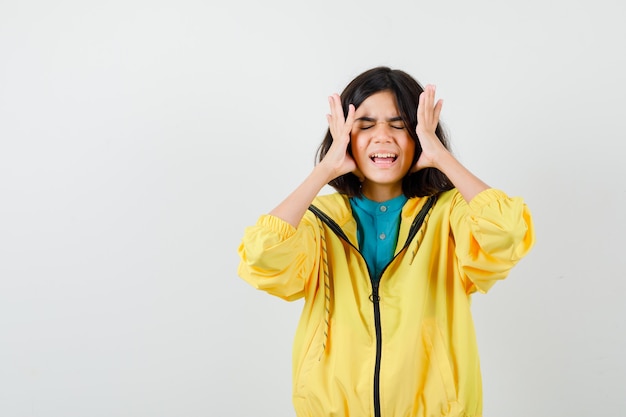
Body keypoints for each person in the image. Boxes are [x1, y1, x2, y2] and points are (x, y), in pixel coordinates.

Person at [237, 66, 535, 417]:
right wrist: (323, 171)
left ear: (421, 136)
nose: (382, 136)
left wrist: (441, 157)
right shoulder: (319, 220)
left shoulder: (449, 213)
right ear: (343, 137)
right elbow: (260, 256)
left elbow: (508, 230)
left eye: (399, 125)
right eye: (365, 126)